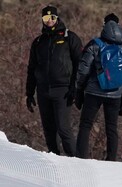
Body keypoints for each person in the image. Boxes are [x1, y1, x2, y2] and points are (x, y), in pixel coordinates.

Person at [25, 4, 83, 156]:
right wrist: (29, 93)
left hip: (63, 90)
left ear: (57, 18)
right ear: (42, 20)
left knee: (63, 128)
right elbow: (31, 68)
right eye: (45, 18)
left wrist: (75, 87)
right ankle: (54, 159)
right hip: (43, 90)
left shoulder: (69, 37)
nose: (49, 21)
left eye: (52, 17)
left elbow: (80, 64)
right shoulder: (38, 42)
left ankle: (76, 161)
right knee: (49, 130)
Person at [75, 13, 122, 161]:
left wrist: (79, 91)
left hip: (93, 92)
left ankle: (81, 157)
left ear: (104, 25)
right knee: (112, 128)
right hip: (116, 94)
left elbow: (83, 70)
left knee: (86, 125)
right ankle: (111, 160)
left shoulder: (94, 44)